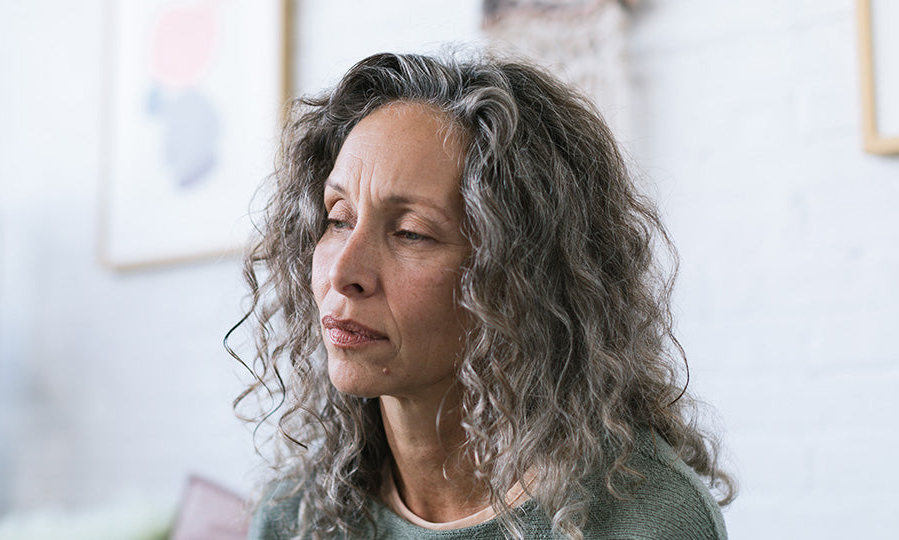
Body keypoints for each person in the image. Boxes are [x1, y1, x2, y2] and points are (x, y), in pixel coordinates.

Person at [230, 51, 735, 540]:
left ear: (521, 276)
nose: (342, 273)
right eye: (338, 220)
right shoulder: (295, 518)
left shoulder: (645, 522)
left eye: (409, 232)